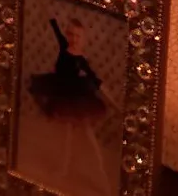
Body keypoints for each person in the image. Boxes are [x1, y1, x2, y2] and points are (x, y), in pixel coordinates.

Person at [26, 17, 116, 195]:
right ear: (67, 35)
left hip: (77, 100)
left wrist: (113, 102)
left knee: (89, 138)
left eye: (78, 36)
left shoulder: (81, 60)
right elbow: (55, 29)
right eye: (71, 35)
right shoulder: (63, 47)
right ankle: (64, 169)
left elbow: (97, 82)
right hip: (63, 96)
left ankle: (102, 177)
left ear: (84, 39)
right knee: (67, 136)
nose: (74, 39)